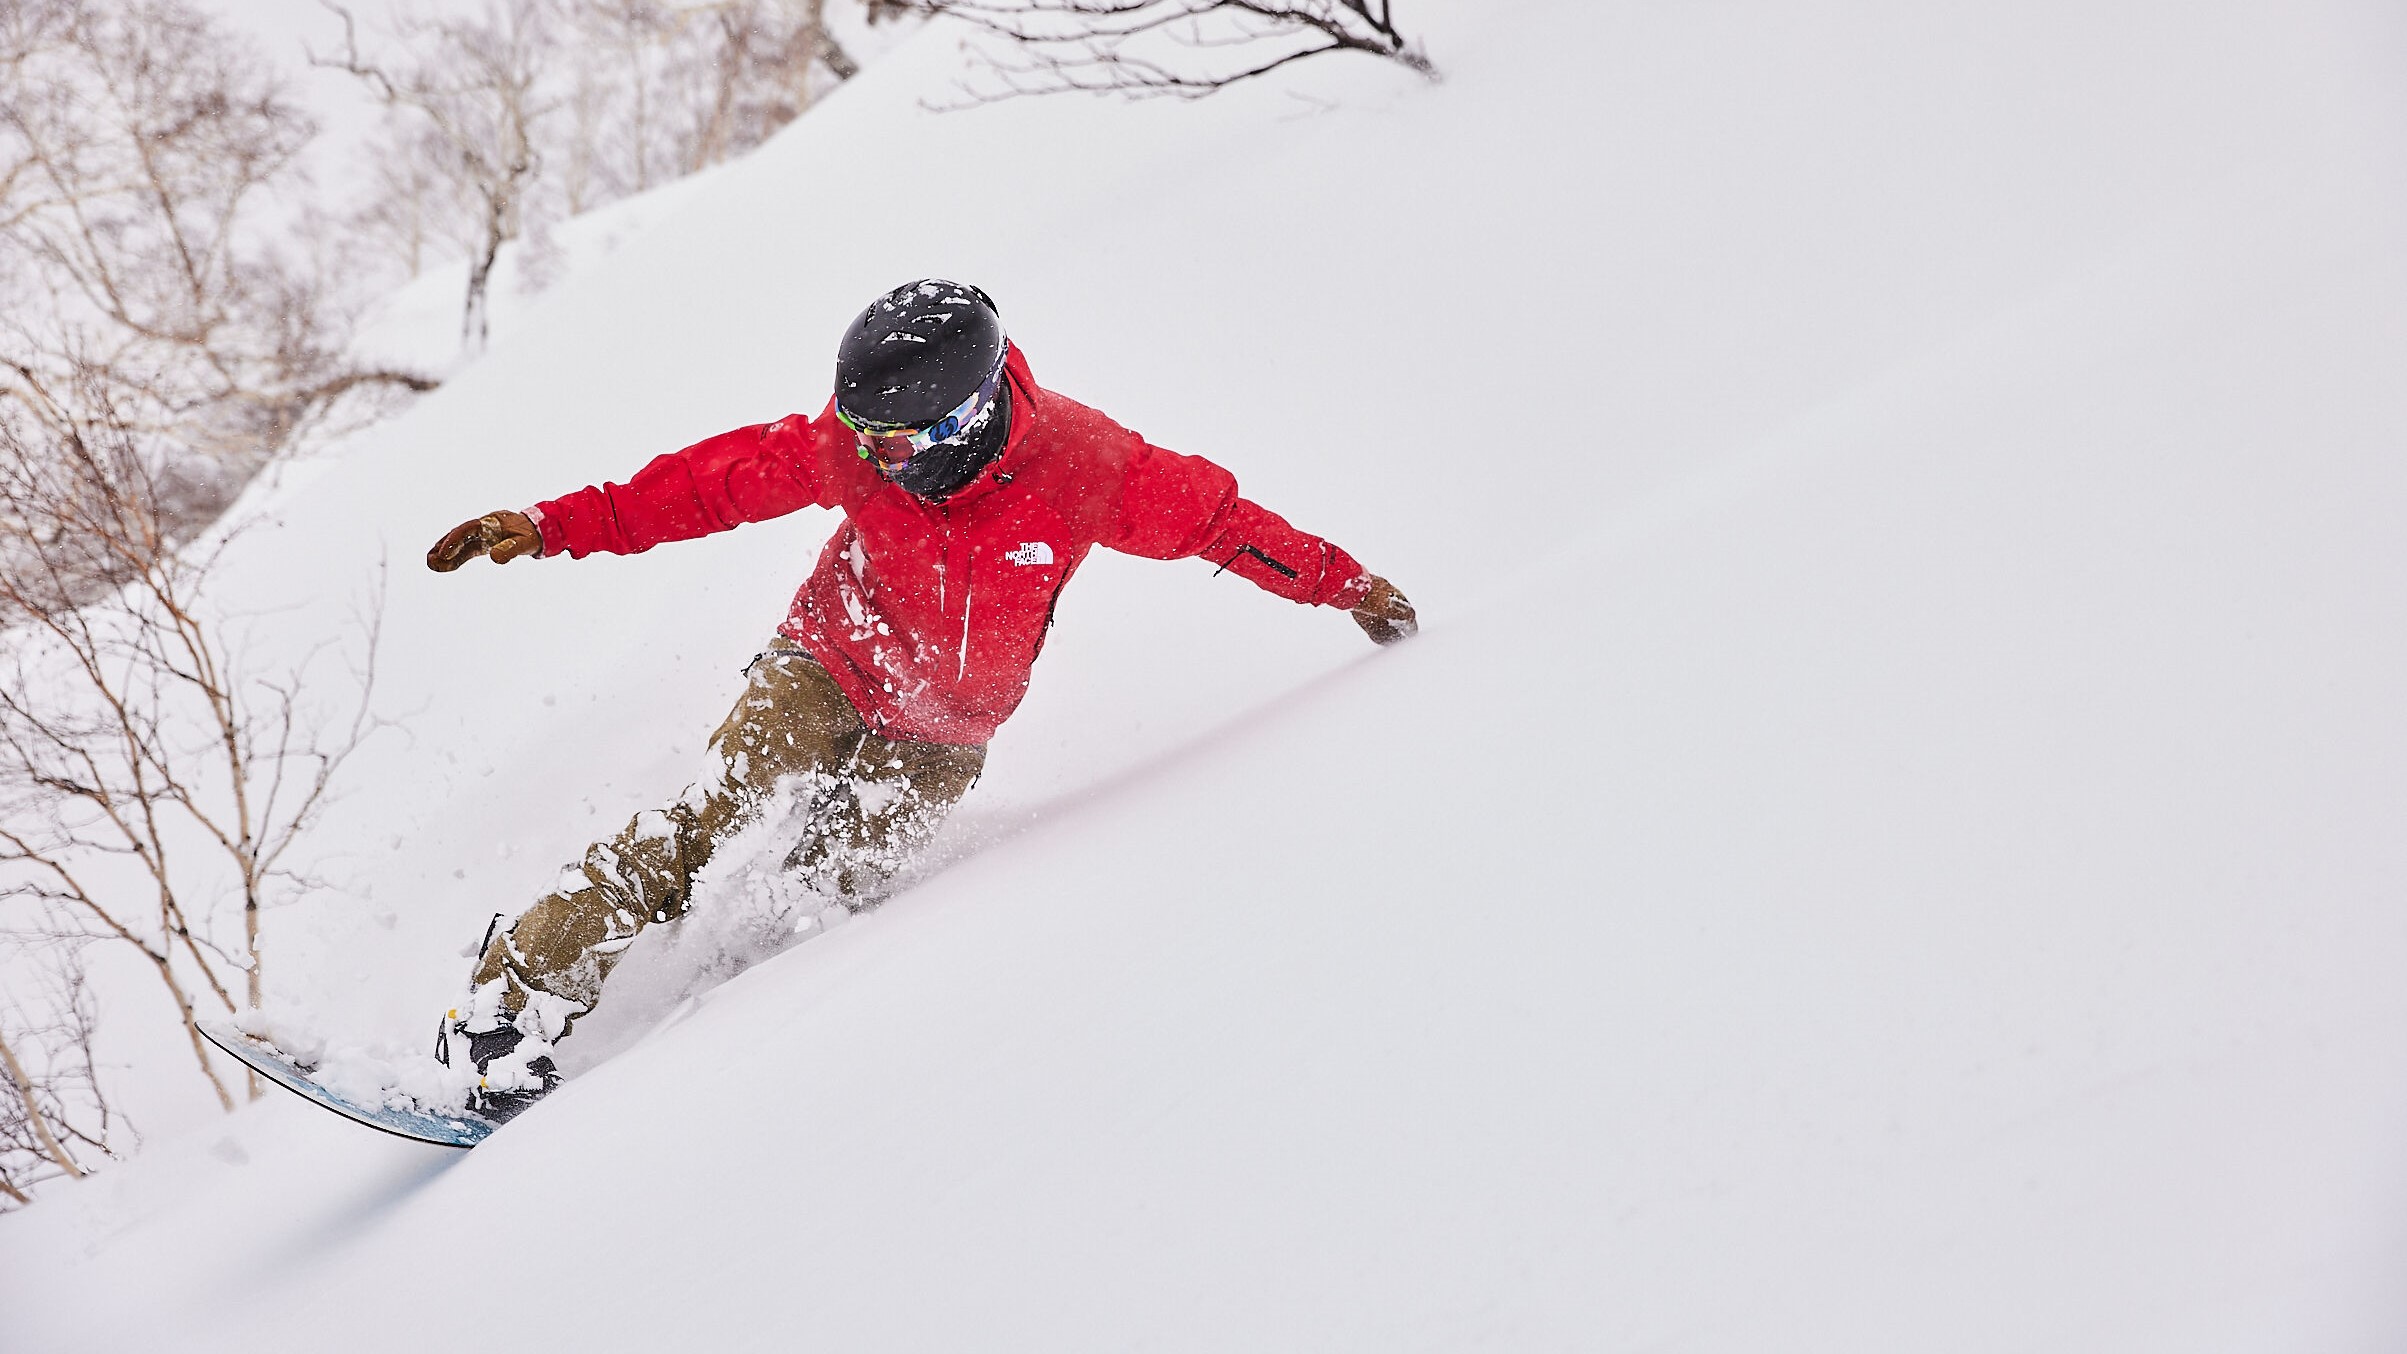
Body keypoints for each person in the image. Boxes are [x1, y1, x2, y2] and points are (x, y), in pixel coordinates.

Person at [424, 279, 1416, 1120]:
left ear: (964, 421)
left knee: (825, 899)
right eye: (859, 435)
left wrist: (1352, 588)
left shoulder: (1086, 466)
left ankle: (696, 1032)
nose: (870, 457)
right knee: (712, 817)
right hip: (825, 662)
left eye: (891, 444)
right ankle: (506, 1010)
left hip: (942, 735)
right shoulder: (852, 446)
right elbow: (706, 486)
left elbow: (1226, 526)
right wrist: (553, 525)